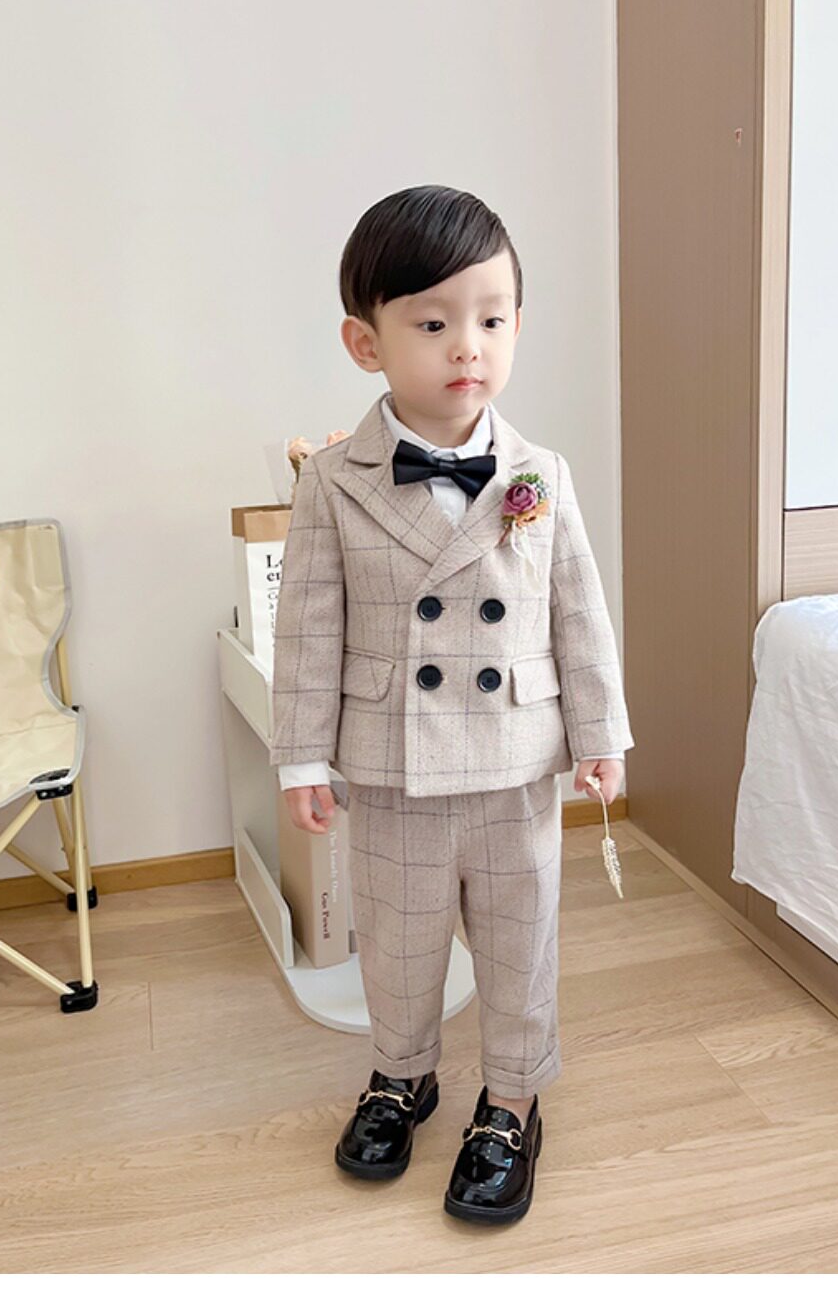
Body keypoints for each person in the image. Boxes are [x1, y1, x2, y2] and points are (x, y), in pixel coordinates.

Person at [269, 184, 634, 1225]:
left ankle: (511, 1099)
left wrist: (602, 736)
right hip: (394, 762)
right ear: (366, 342)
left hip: (515, 761)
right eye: (431, 324)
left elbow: (580, 614)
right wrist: (302, 757)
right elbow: (308, 629)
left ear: (517, 324)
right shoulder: (333, 481)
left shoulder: (541, 475)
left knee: (520, 941)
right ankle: (401, 1073)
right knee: (397, 939)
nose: (467, 345)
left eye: (491, 318)